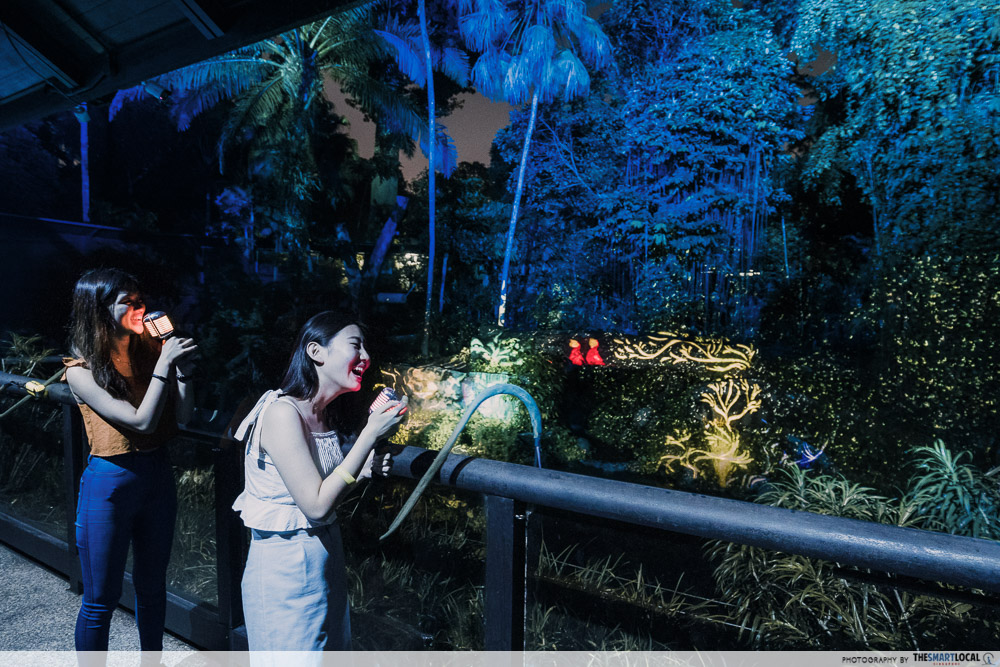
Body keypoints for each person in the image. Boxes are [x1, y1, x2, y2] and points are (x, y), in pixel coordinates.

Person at [232, 311, 406, 652]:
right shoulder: (283, 413)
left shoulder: (322, 415)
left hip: (323, 563)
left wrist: (362, 471)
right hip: (285, 572)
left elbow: (324, 488)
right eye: (355, 345)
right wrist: (369, 435)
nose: (366, 356)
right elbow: (315, 505)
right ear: (316, 351)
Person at [63, 268, 198, 651]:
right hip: (110, 483)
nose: (140, 308)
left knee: (153, 588)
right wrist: (164, 366)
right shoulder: (81, 370)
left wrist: (183, 373)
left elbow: (184, 416)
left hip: (157, 475)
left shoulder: (150, 351)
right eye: (128, 302)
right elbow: (141, 422)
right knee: (100, 599)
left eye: (141, 300)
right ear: (99, 309)